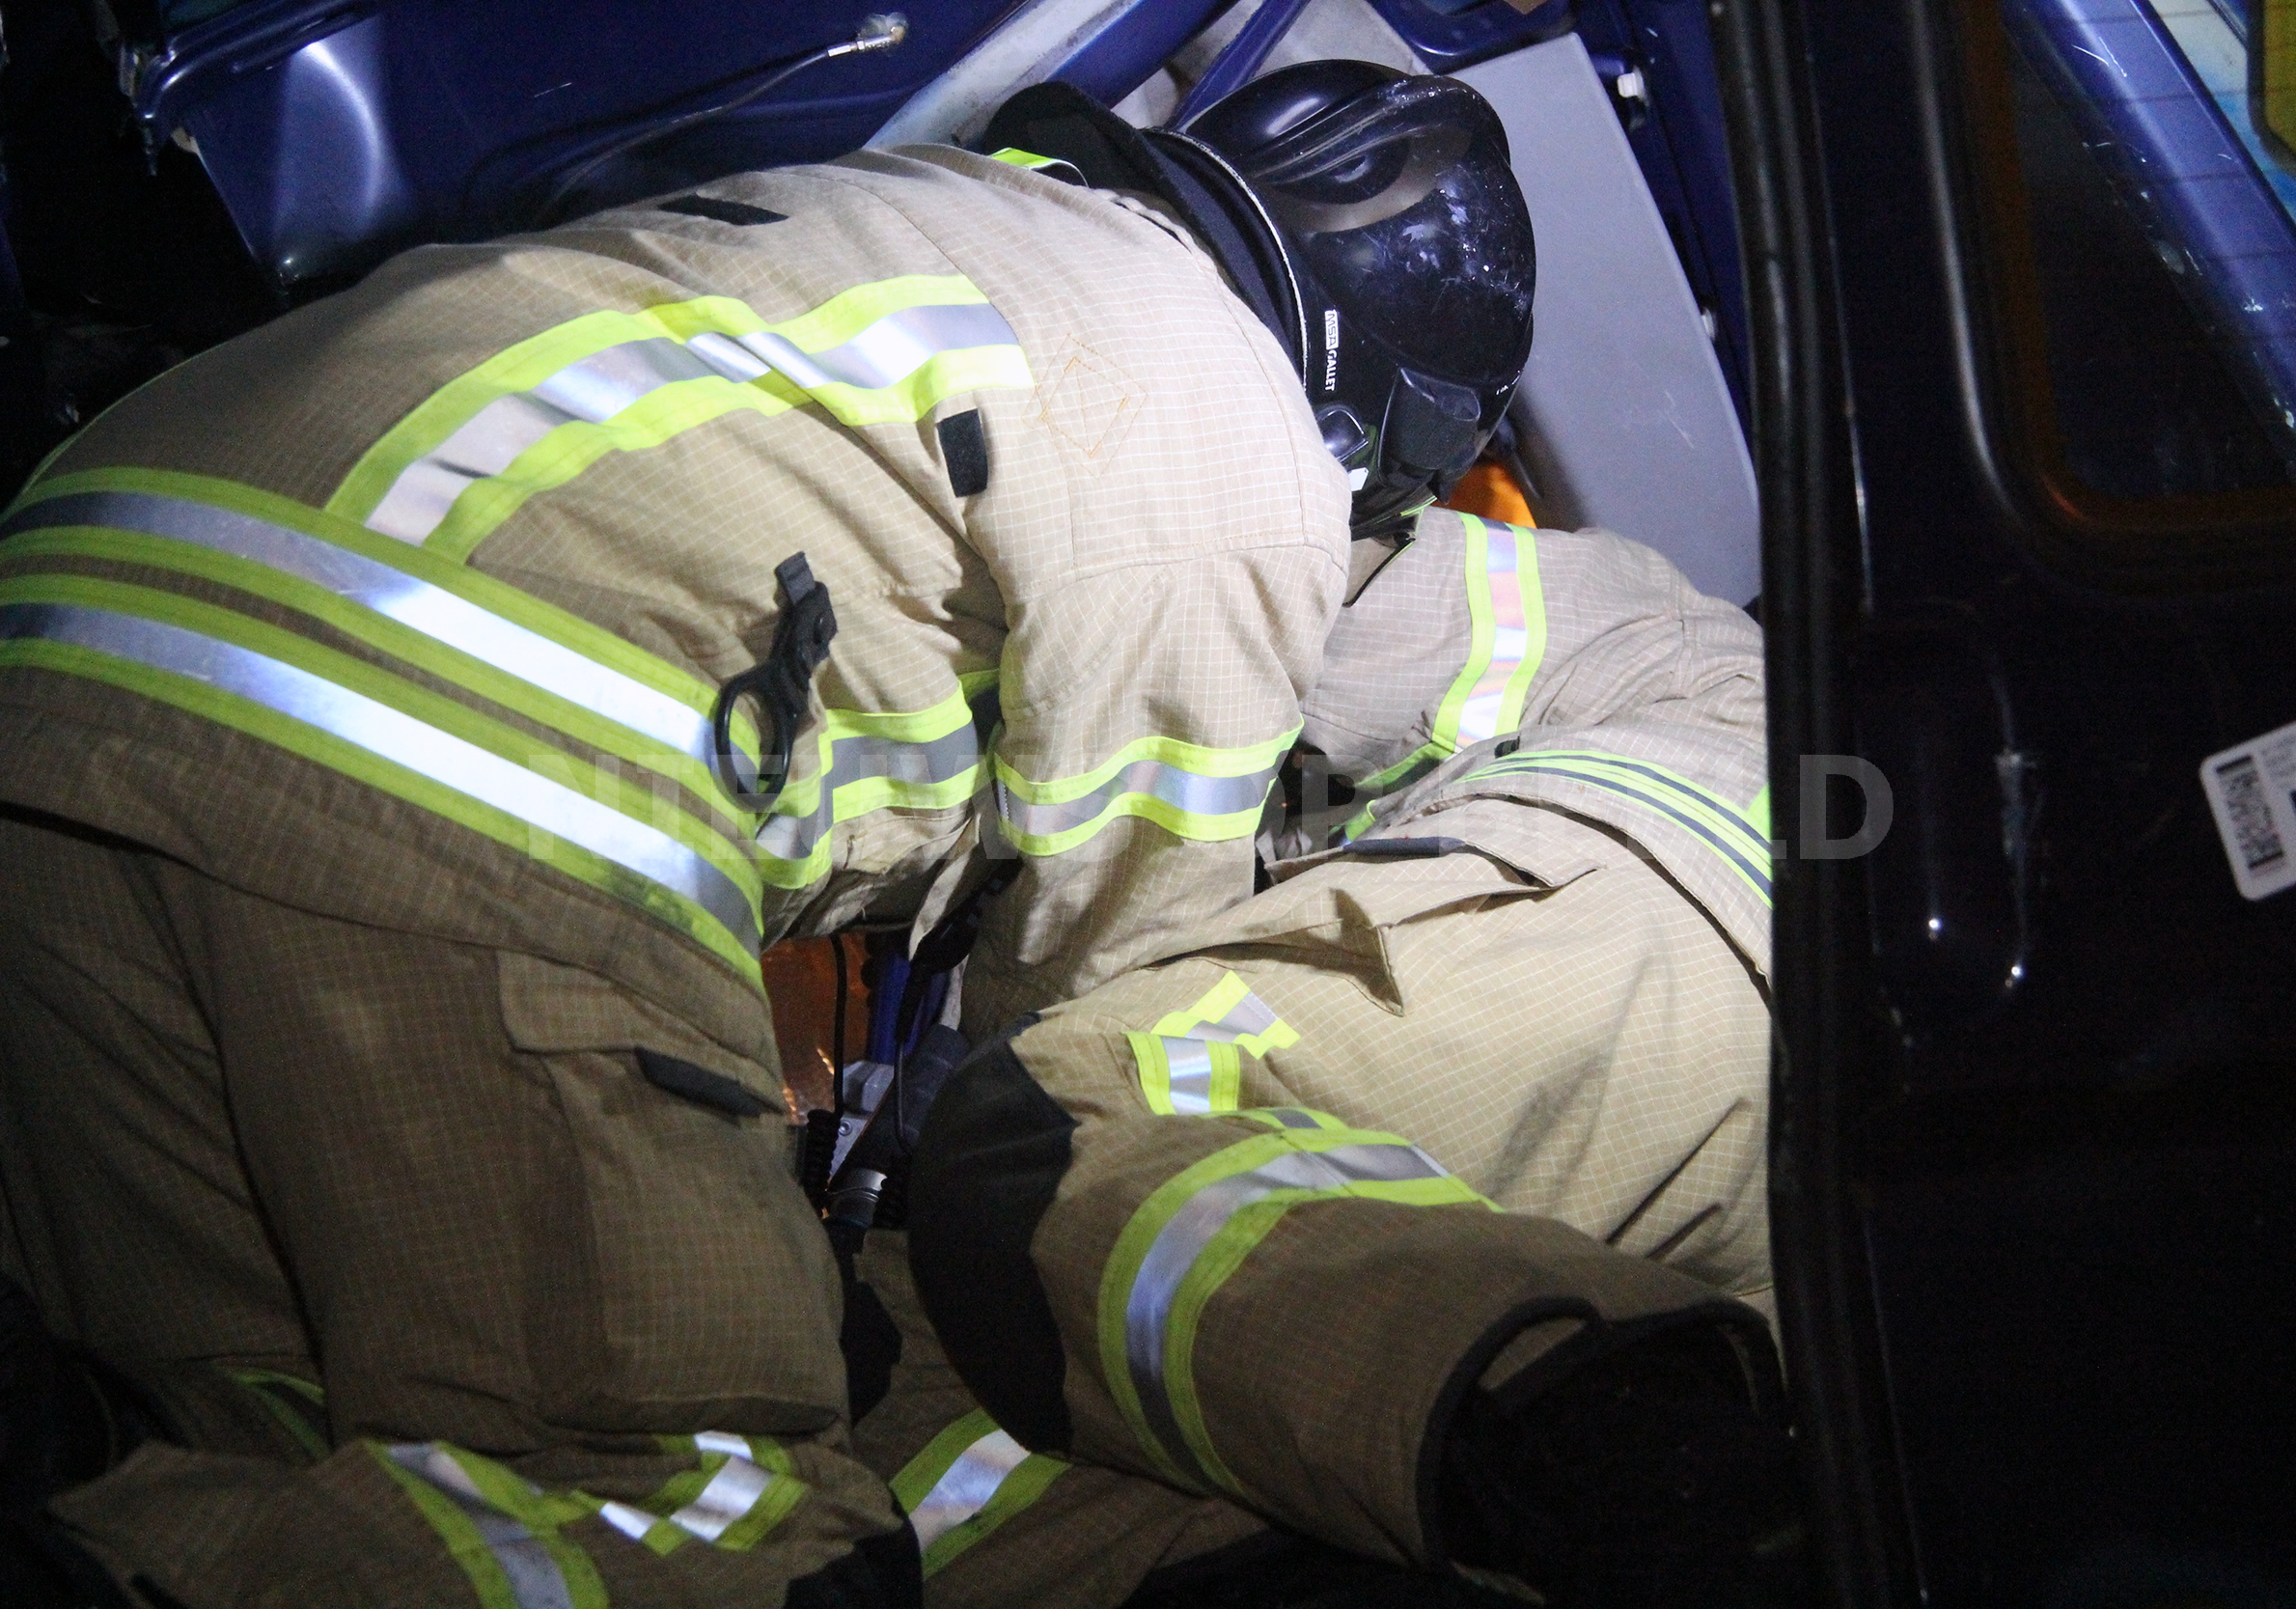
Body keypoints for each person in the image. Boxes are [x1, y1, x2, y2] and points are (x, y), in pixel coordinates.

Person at [0, 61, 1552, 1608]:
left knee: (268, 1427)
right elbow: (1095, 1019)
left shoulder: (921, 211)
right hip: (443, 774)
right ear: (1379, 425)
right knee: (720, 1529)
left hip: (64, 639)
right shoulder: (1230, 435)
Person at [851, 490, 1783, 1609]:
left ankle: (1590, 1448)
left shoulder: (1687, 646)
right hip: (1785, 1245)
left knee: (1053, 1128)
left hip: (1616, 957)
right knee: (997, 1373)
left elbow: (1257, 585)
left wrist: (1009, 986)